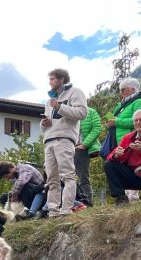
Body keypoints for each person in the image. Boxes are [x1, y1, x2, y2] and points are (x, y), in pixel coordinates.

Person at [40, 68, 87, 217]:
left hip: (65, 138)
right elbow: (45, 123)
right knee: (51, 178)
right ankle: (53, 211)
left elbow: (82, 113)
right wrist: (44, 123)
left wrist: (60, 107)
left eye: (52, 79)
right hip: (49, 140)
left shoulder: (75, 92)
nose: (50, 82)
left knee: (67, 175)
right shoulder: (49, 100)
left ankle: (66, 210)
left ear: (61, 79)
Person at [75, 106, 102, 206]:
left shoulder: (91, 111)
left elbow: (97, 128)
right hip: (67, 148)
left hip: (81, 148)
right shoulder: (67, 112)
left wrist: (85, 144)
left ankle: (87, 203)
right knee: (66, 177)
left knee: (82, 177)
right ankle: (74, 203)